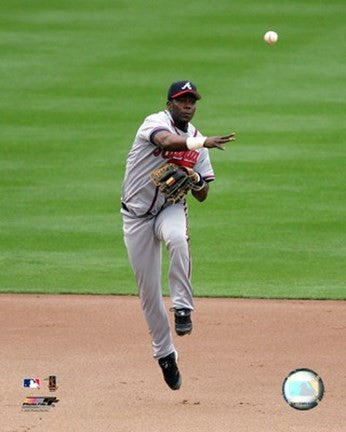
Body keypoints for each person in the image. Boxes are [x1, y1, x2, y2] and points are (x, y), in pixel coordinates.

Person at [121, 80, 235, 390]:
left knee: (177, 239)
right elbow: (167, 142)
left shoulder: (198, 141)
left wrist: (195, 177)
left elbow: (202, 195)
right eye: (182, 100)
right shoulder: (154, 122)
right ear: (170, 103)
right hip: (135, 218)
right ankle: (165, 354)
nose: (188, 105)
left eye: (192, 100)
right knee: (148, 295)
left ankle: (183, 306)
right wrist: (200, 144)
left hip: (170, 208)